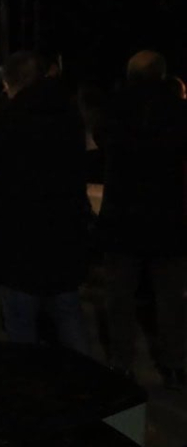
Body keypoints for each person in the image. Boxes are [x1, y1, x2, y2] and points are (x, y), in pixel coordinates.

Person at [0, 51, 91, 355]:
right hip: (64, 230)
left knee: (21, 321)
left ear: (9, 81)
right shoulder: (69, 114)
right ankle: (88, 381)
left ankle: (33, 384)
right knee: (67, 310)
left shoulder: (10, 118)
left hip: (21, 234)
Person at [95, 50, 187, 389]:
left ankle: (122, 361)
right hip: (168, 215)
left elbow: (103, 142)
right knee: (170, 296)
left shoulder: (114, 109)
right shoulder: (178, 111)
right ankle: (174, 361)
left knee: (120, 295)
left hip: (123, 215)